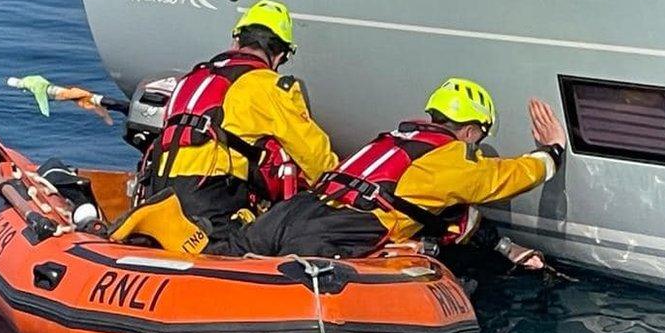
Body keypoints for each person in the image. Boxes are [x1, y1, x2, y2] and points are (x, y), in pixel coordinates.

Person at [215, 78, 565, 267]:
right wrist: (552, 152)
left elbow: (456, 215)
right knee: (301, 282)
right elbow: (505, 177)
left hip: (297, 210)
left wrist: (505, 247)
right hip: (340, 230)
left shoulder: (392, 141)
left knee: (226, 259)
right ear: (472, 131)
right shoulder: (451, 158)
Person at [132, 0, 338, 250]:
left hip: (158, 197)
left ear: (236, 41)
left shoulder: (192, 79)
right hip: (209, 206)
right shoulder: (270, 87)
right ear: (281, 55)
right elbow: (316, 159)